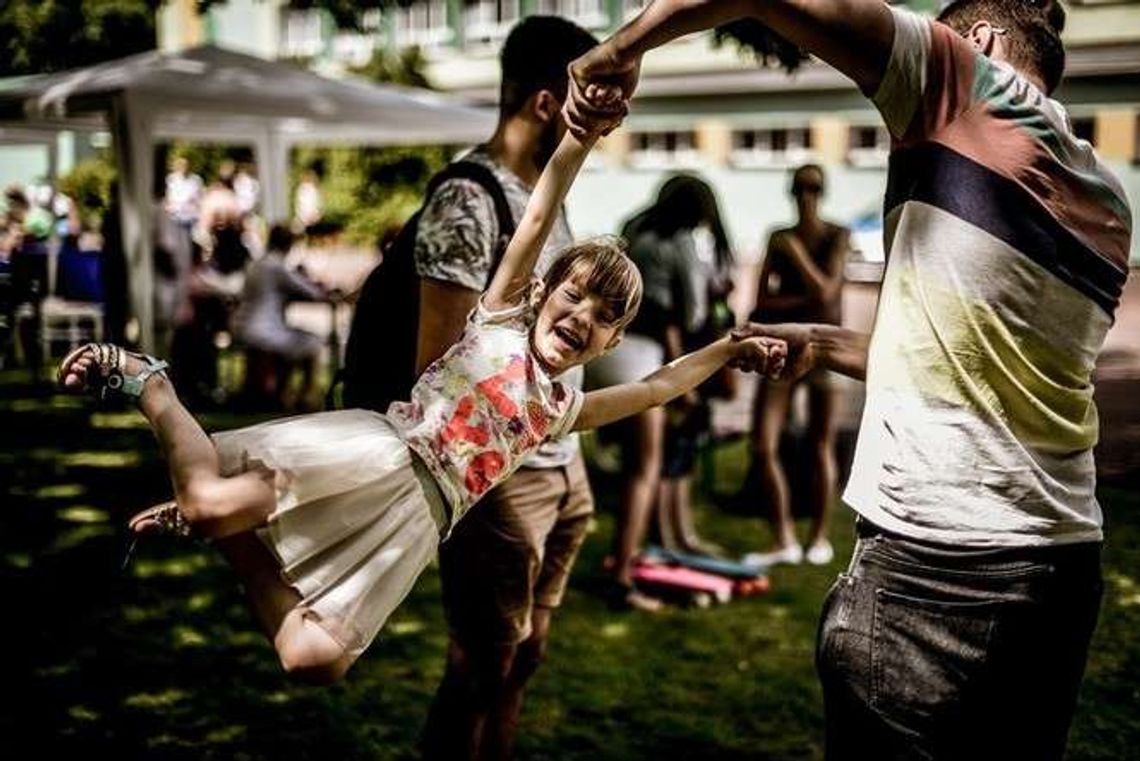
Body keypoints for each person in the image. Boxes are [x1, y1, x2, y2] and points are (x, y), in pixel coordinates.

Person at [565, 0, 1131, 759]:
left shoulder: (963, 82)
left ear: (981, 43)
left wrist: (617, 52)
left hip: (936, 569)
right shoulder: (1105, 197)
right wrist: (825, 342)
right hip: (1060, 564)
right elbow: (976, 363)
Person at [56, 128, 787, 691]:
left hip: (417, 520)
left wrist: (729, 348)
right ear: (540, 292)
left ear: (613, 339)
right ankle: (152, 385)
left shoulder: (560, 408)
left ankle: (235, 535)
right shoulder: (499, 319)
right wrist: (580, 138)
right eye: (574, 294)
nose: (582, 314)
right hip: (377, 454)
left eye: (603, 316)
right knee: (211, 499)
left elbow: (658, 386)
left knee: (313, 659)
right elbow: (535, 217)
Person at [413, 17, 601, 760]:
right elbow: (437, 370)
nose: (613, 118)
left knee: (525, 657)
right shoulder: (469, 199)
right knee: (480, 665)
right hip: (497, 479)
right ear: (551, 103)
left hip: (561, 463)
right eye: (601, 96)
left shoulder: (539, 189)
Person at [590, 174, 731, 610]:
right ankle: (622, 576)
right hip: (643, 359)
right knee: (643, 469)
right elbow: (690, 313)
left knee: (626, 462)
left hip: (603, 352)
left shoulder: (634, 231)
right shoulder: (681, 243)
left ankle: (631, 555)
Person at [744, 164, 848, 568]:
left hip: (824, 349)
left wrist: (796, 257)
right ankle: (784, 537)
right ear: (791, 192)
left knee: (822, 444)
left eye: (814, 188)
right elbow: (759, 302)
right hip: (781, 349)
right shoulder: (777, 235)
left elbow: (826, 293)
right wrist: (804, 305)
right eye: (801, 188)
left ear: (823, 193)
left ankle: (819, 537)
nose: (807, 195)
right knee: (764, 444)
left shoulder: (836, 235)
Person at [232, 224, 331, 412]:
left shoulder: (256, 263)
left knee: (296, 341)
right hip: (265, 331)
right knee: (313, 342)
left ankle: (282, 393)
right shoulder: (276, 267)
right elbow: (311, 292)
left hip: (245, 326)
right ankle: (306, 397)